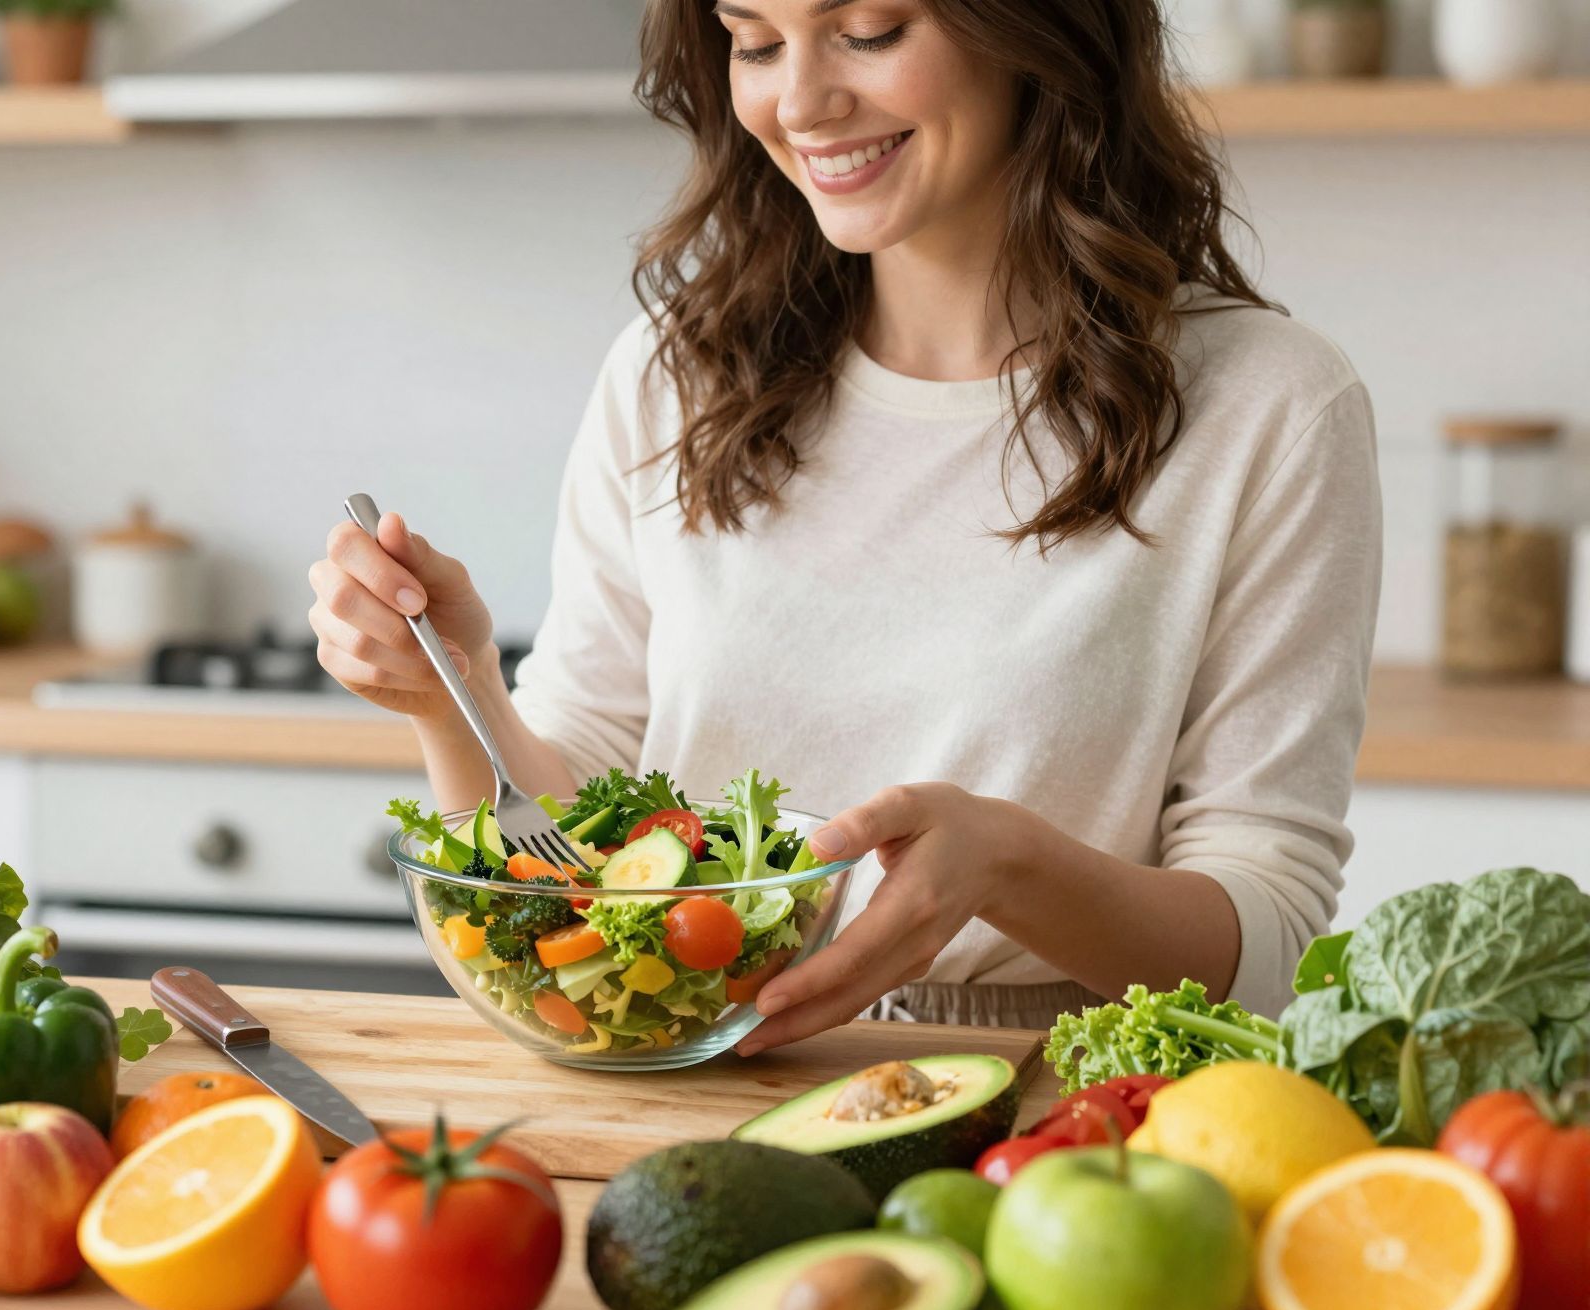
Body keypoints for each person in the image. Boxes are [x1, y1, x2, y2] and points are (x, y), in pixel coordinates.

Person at [307, 0, 1381, 1052]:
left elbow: (1266, 934)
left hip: (1053, 1108)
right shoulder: (673, 373)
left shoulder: (1266, 405)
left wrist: (1007, 865)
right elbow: (584, 831)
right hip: (692, 1081)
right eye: (756, 43)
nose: (801, 103)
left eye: (868, 33)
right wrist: (455, 700)